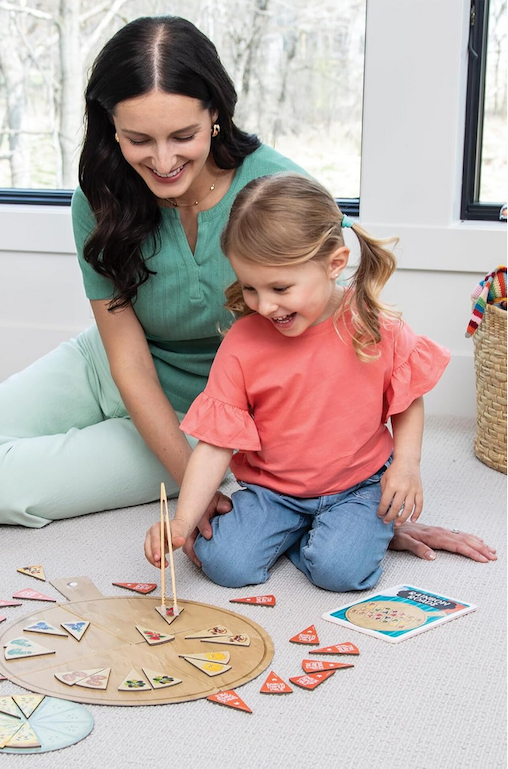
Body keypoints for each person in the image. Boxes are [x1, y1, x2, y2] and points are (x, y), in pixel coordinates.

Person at [0, 15, 497, 566]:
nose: (163, 162)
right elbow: (125, 356)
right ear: (109, 127)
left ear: (215, 114)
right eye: (138, 139)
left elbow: (337, 353)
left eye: (182, 136)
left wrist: (359, 509)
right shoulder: (98, 195)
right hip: (113, 362)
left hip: (209, 412)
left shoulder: (275, 192)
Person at [144, 172, 456, 591]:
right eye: (250, 288)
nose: (265, 305)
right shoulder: (243, 343)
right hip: (274, 491)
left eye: (279, 287)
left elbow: (407, 400)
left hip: (359, 486)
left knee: (341, 572)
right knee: (223, 563)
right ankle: (304, 533)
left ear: (334, 264)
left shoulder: (375, 326)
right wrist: (181, 520)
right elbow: (216, 443)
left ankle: (331, 536)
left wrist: (406, 465)